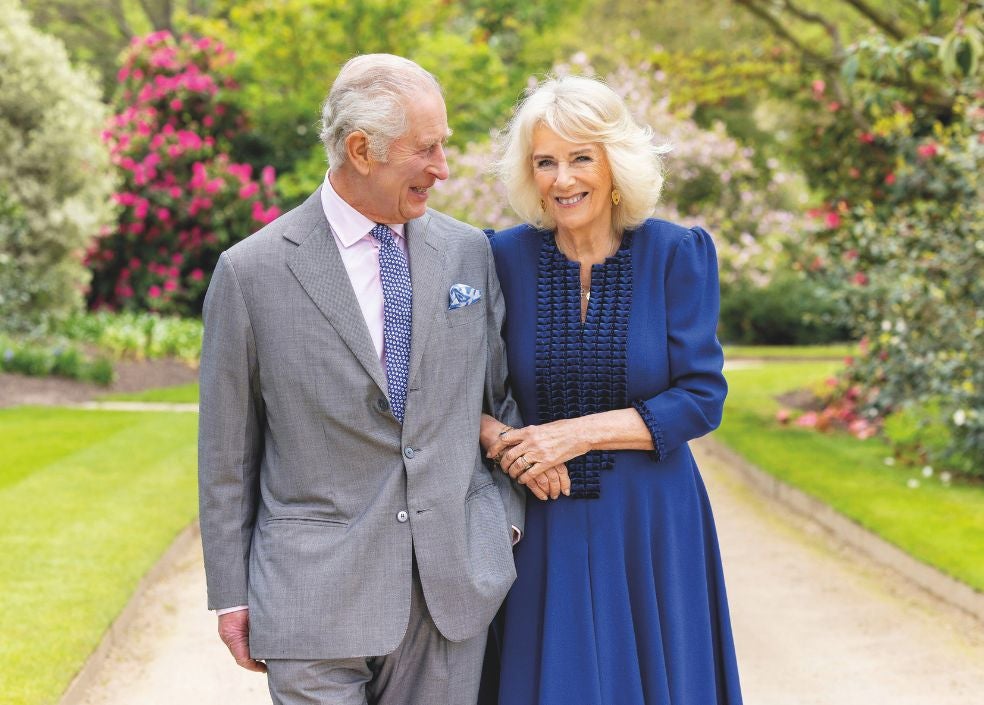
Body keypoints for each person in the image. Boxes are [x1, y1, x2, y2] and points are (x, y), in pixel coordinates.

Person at [198, 53, 566, 705]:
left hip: (448, 592)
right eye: (426, 149)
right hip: (311, 602)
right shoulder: (250, 273)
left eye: (444, 145)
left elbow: (495, 397)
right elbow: (227, 453)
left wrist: (497, 523)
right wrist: (230, 593)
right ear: (361, 150)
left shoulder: (467, 252)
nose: (443, 168)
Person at [481, 75, 744, 704]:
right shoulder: (497, 258)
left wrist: (572, 434)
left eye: (580, 158)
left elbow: (702, 397)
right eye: (545, 162)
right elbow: (454, 389)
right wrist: (503, 442)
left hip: (651, 522)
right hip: (541, 520)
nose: (563, 179)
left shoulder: (677, 253)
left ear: (614, 165)